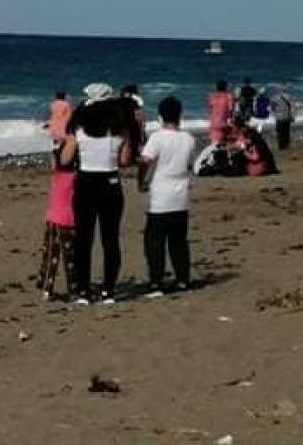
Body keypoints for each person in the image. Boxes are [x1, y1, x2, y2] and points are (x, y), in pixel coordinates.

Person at [60, 83, 134, 305]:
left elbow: (65, 159)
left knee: (84, 238)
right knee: (110, 239)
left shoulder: (79, 130)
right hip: (110, 183)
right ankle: (108, 290)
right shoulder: (119, 130)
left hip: (85, 183)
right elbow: (124, 161)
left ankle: (83, 290)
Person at [138, 96, 198, 296]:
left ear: (161, 116)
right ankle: (183, 279)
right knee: (179, 240)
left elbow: (145, 160)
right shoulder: (188, 139)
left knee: (154, 242)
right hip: (180, 194)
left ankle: (156, 282)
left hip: (161, 195)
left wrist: (141, 180)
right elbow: (190, 164)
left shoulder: (157, 137)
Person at [38, 152, 77, 301]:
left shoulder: (57, 176)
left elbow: (55, 158)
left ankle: (47, 287)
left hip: (54, 220)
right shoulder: (74, 178)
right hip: (67, 221)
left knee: (50, 256)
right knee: (70, 258)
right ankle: (73, 288)